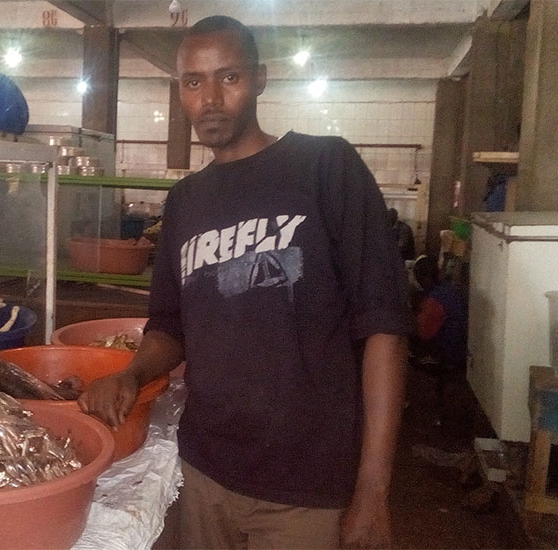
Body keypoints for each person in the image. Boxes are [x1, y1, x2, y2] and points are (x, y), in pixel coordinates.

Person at [78, 15, 409, 549]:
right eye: (193, 81)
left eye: (228, 77)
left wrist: (373, 490)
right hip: (206, 467)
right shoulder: (185, 202)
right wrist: (133, 373)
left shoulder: (326, 167)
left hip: (307, 481)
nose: (209, 98)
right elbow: (169, 326)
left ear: (260, 79)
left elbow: (385, 327)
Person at [409, 255, 468, 423]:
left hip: (447, 354)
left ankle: (420, 411)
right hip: (463, 350)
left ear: (423, 277)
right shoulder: (451, 290)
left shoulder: (434, 300)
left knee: (401, 352)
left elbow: (422, 334)